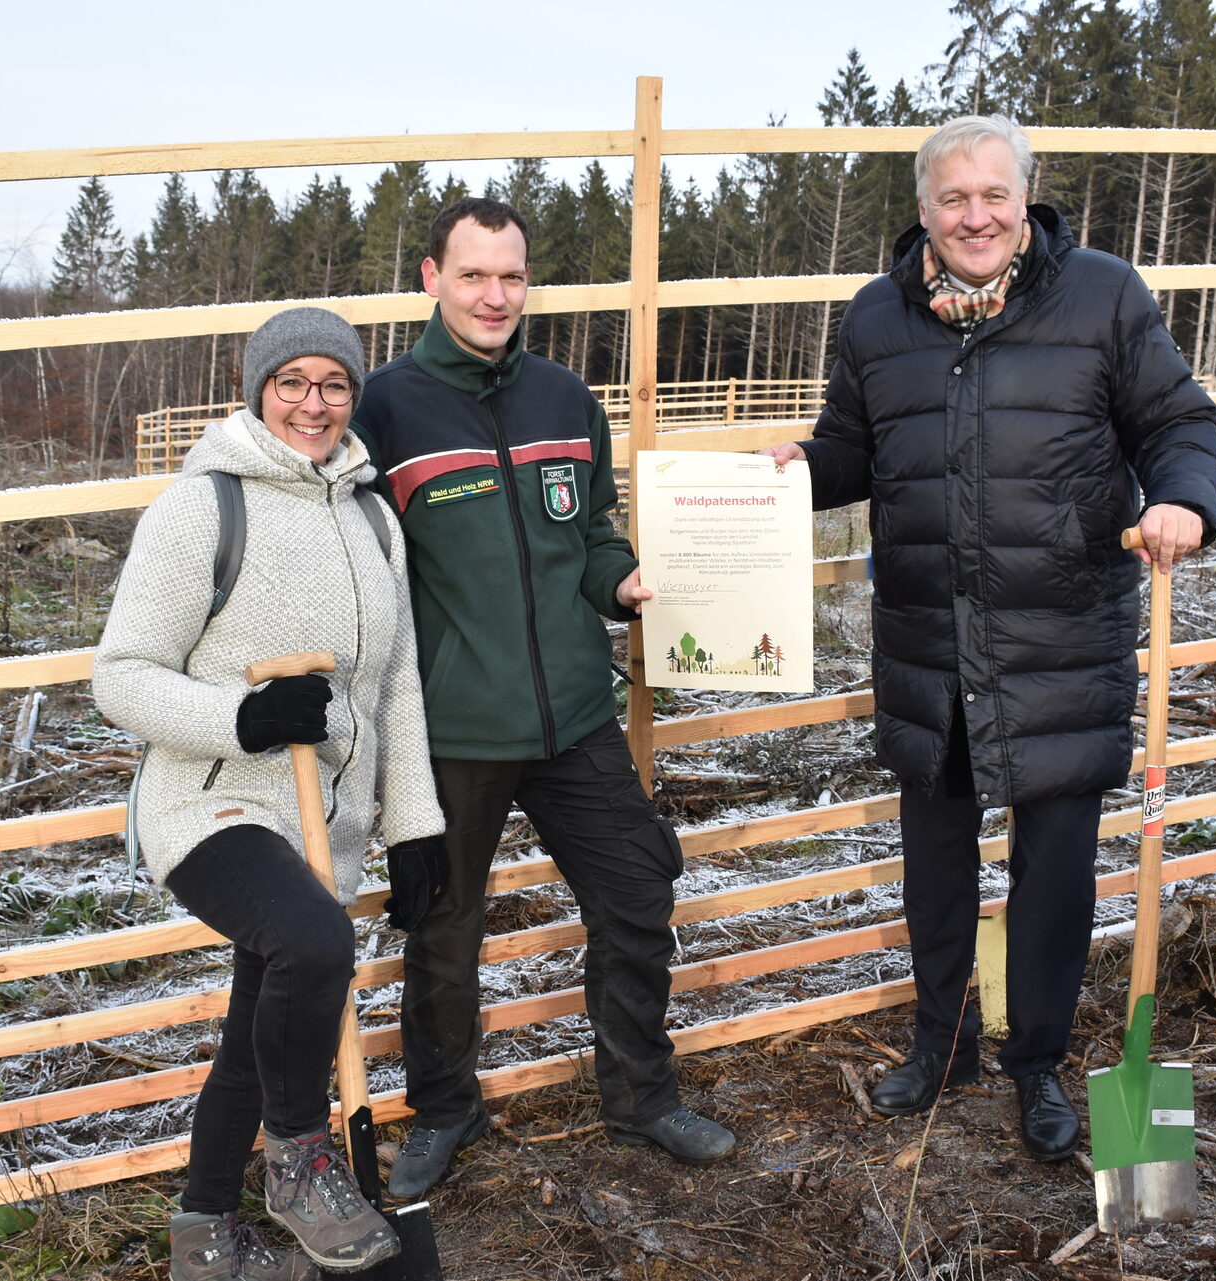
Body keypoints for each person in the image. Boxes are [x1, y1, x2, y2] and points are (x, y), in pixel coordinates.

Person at [761, 116, 1216, 1162]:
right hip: (931, 641)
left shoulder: (1103, 295)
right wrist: (799, 470)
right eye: (953, 198)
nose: (975, 217)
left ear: (1026, 199)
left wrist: (1184, 499)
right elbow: (856, 448)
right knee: (936, 865)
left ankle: (1038, 1063)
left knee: (1054, 872)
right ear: (924, 209)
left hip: (1061, 638)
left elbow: (1176, 421)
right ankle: (944, 1042)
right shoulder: (878, 315)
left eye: (993, 195)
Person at [353, 197, 736, 1200]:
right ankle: (446, 1109)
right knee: (443, 926)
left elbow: (593, 532)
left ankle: (641, 1097)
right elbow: (355, 566)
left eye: (512, 276)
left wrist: (622, 582)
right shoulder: (384, 409)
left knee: (638, 891)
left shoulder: (566, 398)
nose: (495, 296)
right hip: (454, 727)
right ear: (432, 278)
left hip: (574, 713)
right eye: (474, 275)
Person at [94, 307, 449, 1279]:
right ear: (258, 389)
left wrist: (414, 825)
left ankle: (204, 1237)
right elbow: (120, 676)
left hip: (322, 818)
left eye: (333, 384)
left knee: (265, 1026)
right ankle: (299, 1161)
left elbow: (397, 685)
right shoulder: (203, 507)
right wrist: (244, 718)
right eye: (291, 381)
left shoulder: (374, 517)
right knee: (314, 943)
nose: (313, 403)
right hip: (209, 802)